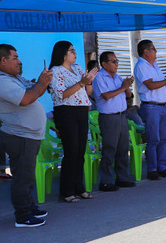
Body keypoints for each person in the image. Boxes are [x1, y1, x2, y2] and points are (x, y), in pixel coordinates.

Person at [0, 44, 52, 227]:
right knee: (22, 177)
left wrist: (41, 83)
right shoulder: (2, 81)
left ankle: (29, 206)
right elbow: (25, 99)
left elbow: (34, 91)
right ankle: (22, 216)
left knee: (27, 175)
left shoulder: (13, 78)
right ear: (3, 60)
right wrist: (42, 83)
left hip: (28, 135)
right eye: (15, 57)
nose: (19, 61)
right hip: (19, 135)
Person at [48, 41, 97, 203]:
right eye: (71, 51)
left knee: (81, 150)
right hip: (66, 111)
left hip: (82, 110)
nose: (75, 53)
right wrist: (81, 83)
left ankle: (79, 187)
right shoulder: (56, 71)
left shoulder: (77, 68)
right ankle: (67, 191)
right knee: (71, 150)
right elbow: (61, 94)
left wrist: (88, 81)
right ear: (63, 54)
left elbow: (88, 91)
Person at [133, 39, 166, 180]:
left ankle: (162, 167)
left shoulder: (154, 65)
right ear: (146, 51)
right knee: (153, 139)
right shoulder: (141, 66)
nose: (156, 51)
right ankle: (152, 169)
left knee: (163, 138)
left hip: (161, 106)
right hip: (151, 106)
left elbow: (161, 84)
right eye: (153, 49)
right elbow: (151, 85)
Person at [92, 51, 136, 191]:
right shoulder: (99, 78)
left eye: (117, 61)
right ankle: (106, 181)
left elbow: (128, 95)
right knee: (110, 149)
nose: (117, 64)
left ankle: (122, 178)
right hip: (109, 117)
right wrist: (123, 87)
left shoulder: (117, 77)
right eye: (113, 61)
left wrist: (127, 86)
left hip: (122, 115)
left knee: (123, 149)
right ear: (104, 64)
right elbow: (106, 96)